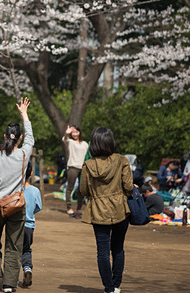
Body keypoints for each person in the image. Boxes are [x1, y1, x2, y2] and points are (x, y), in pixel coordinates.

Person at [0, 97, 35, 293]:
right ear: (18, 139)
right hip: (17, 205)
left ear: (5, 136)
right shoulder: (23, 154)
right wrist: (24, 114)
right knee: (14, 245)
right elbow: (31, 138)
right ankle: (9, 284)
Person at [80, 127, 133, 293]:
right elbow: (128, 186)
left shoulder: (88, 165)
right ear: (111, 142)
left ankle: (108, 288)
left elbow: (83, 191)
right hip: (120, 209)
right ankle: (116, 285)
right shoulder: (122, 160)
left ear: (94, 144)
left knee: (102, 251)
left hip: (98, 211)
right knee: (118, 248)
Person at [21, 162, 42, 288]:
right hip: (29, 226)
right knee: (26, 249)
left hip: (15, 226)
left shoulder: (15, 190)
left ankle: (9, 278)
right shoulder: (35, 190)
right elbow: (38, 207)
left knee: (12, 250)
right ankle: (27, 268)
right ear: (31, 173)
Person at [62, 124, 90, 218]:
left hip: (83, 168)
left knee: (81, 189)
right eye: (73, 132)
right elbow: (64, 139)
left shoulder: (85, 144)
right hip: (72, 167)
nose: (75, 134)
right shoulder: (70, 142)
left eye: (76, 132)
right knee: (70, 187)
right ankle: (69, 207)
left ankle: (79, 208)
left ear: (79, 132)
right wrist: (66, 133)